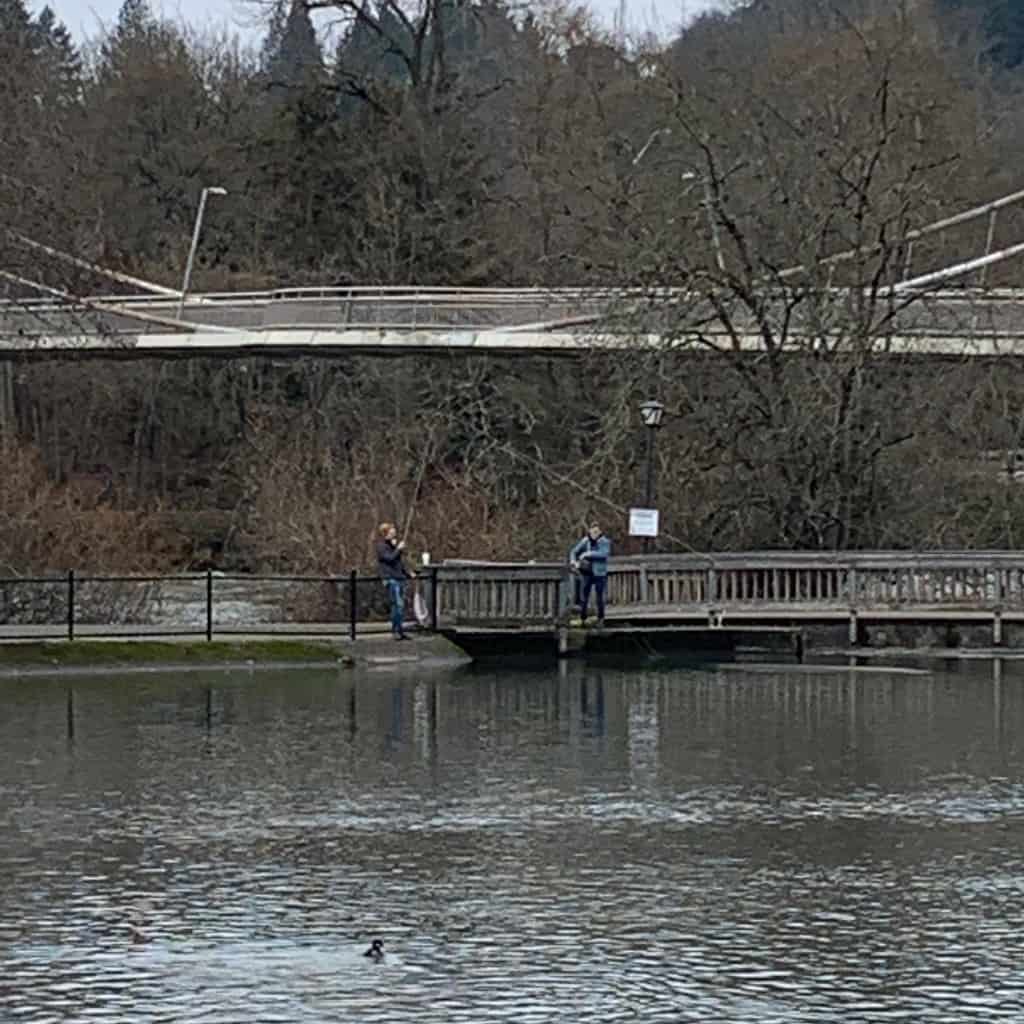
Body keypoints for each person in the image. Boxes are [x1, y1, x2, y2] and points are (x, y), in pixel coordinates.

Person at [570, 522, 611, 627]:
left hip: (600, 573)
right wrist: (573, 561)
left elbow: (604, 554)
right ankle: (583, 618)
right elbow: (574, 551)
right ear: (589, 531)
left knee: (599, 597)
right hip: (586, 572)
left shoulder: (604, 541)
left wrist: (588, 554)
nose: (594, 534)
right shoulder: (585, 540)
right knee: (584, 596)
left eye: (597, 532)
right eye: (593, 531)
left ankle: (601, 618)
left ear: (600, 532)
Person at [376, 522, 412, 640]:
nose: (394, 534)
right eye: (392, 532)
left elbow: (398, 563)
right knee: (397, 605)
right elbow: (390, 558)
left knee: (400, 606)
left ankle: (400, 630)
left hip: (399, 578)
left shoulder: (392, 546)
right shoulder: (381, 546)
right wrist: (398, 549)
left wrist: (408, 573)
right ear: (386, 533)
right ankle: (395, 630)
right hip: (391, 579)